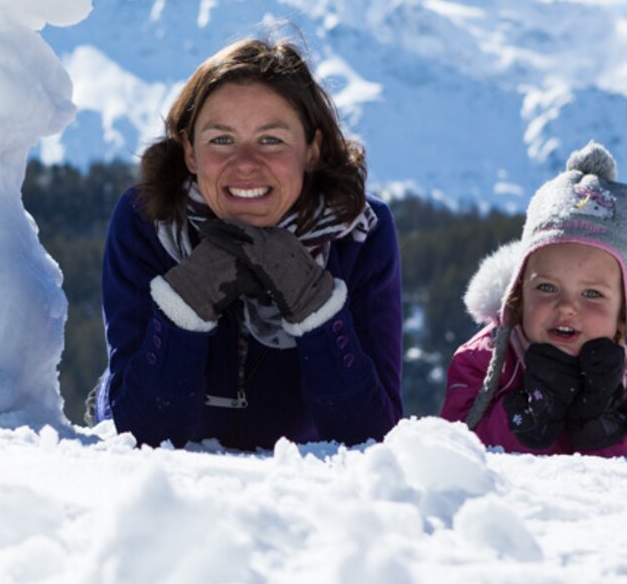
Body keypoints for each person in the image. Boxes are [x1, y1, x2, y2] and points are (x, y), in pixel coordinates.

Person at [91, 37, 403, 449]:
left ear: (312, 149)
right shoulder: (148, 220)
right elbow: (141, 435)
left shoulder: (359, 233)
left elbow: (370, 436)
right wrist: (186, 302)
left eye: (271, 140)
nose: (245, 164)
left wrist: (316, 307)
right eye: (221, 140)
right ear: (189, 152)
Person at [440, 141, 627, 455]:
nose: (567, 307)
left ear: (622, 312)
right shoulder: (482, 363)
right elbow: (451, 454)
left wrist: (606, 426)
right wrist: (521, 421)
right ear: (518, 294)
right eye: (547, 287)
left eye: (592, 294)